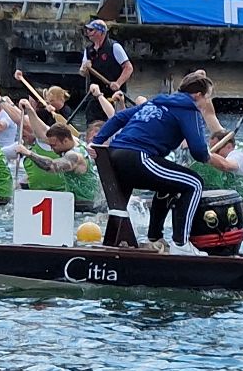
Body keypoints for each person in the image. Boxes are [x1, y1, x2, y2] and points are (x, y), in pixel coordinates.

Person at [90, 71, 217, 256]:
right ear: (198, 95)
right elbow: (198, 150)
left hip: (114, 157)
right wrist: (208, 158)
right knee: (194, 183)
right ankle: (181, 244)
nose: (206, 102)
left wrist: (97, 141)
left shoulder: (155, 102)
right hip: (138, 158)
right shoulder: (189, 109)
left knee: (168, 186)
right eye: (208, 97)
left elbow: (118, 118)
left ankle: (153, 239)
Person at [16, 122, 100, 207]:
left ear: (65, 140)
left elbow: (51, 166)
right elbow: (42, 130)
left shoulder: (74, 156)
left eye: (54, 145)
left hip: (84, 206)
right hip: (79, 202)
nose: (52, 149)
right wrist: (29, 109)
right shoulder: (77, 143)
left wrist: (28, 153)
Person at [79, 19, 133, 122]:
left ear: (101, 32)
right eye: (87, 30)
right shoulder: (88, 50)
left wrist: (118, 83)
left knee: (115, 122)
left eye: (91, 30)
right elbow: (82, 72)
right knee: (93, 123)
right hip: (95, 95)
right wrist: (84, 68)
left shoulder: (114, 47)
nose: (88, 33)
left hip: (114, 95)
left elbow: (128, 67)